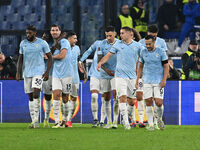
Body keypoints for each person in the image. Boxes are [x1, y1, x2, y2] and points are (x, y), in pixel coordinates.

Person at [97, 26, 144, 130]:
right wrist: (100, 63)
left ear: (129, 34)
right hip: (119, 76)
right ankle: (126, 122)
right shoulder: (118, 44)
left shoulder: (138, 46)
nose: (121, 35)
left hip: (132, 77)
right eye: (120, 33)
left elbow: (144, 58)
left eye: (122, 33)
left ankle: (129, 117)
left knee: (132, 100)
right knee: (122, 97)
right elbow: (108, 55)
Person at [16, 25, 52, 128]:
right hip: (27, 73)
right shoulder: (23, 43)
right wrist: (18, 72)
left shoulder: (42, 43)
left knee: (36, 93)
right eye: (27, 33)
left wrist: (47, 72)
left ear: (35, 33)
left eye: (30, 33)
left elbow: (50, 58)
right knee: (30, 96)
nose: (28, 35)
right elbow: (20, 58)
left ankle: (36, 120)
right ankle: (33, 121)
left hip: (38, 72)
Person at [136, 35, 169, 131]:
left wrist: (164, 79)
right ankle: (150, 124)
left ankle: (159, 119)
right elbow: (140, 66)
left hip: (158, 81)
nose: (148, 46)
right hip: (147, 81)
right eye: (146, 44)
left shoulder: (161, 52)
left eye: (149, 44)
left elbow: (166, 66)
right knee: (148, 102)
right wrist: (138, 79)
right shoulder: (143, 52)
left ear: (154, 42)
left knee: (158, 103)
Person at [50, 24, 74, 128]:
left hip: (67, 74)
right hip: (56, 74)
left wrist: (50, 57)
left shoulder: (64, 42)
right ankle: (56, 121)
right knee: (55, 95)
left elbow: (62, 55)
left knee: (65, 97)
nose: (54, 32)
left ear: (60, 32)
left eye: (56, 30)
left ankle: (65, 120)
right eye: (52, 30)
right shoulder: (53, 44)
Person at [42, 31, 66, 128]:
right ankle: (46, 119)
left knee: (59, 97)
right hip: (46, 74)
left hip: (56, 74)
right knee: (47, 97)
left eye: (46, 37)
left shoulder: (56, 45)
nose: (44, 38)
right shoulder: (41, 47)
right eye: (43, 37)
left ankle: (62, 120)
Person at [98, 26, 119, 129]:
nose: (108, 38)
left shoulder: (120, 43)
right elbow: (100, 60)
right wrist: (107, 70)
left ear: (115, 34)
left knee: (116, 96)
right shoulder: (102, 44)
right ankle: (109, 122)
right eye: (107, 36)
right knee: (106, 97)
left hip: (117, 74)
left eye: (110, 35)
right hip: (105, 74)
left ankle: (115, 121)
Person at [79, 40, 103, 127]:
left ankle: (102, 120)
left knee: (105, 99)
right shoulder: (98, 43)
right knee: (94, 96)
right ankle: (95, 119)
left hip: (107, 75)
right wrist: (81, 60)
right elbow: (89, 51)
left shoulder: (117, 44)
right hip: (95, 74)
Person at [64, 32, 83, 128]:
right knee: (65, 98)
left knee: (74, 98)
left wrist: (80, 65)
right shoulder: (63, 48)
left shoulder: (77, 48)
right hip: (65, 77)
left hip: (75, 78)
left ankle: (69, 120)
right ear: (69, 39)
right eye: (74, 38)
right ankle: (64, 119)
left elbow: (78, 59)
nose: (76, 40)